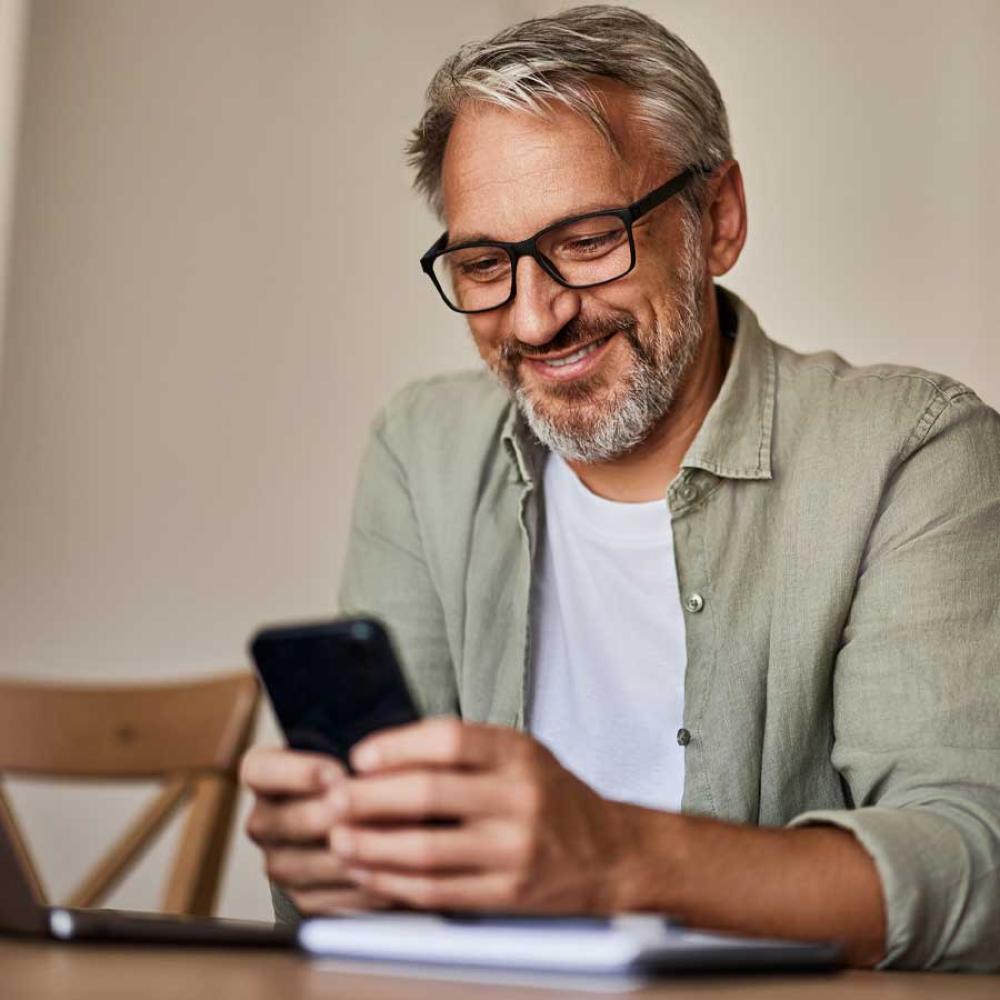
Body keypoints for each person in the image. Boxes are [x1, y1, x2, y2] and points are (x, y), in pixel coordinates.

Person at [240, 5, 1000, 970]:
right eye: (483, 263)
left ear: (716, 220)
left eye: (589, 239)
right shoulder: (422, 448)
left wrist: (614, 854)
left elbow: (978, 864)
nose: (535, 315)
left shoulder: (911, 453)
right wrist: (337, 865)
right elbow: (383, 889)